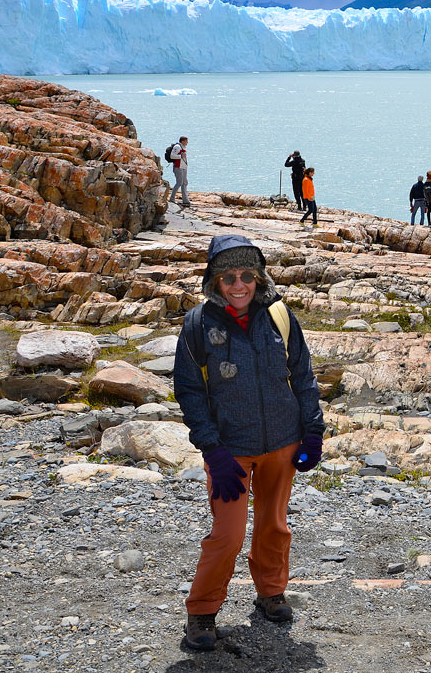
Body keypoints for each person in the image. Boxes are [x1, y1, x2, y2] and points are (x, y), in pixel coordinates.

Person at [174, 235, 324, 652]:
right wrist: (212, 450)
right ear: (214, 282)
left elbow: (304, 375)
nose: (238, 286)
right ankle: (201, 612)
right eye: (228, 278)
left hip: (282, 442)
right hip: (229, 451)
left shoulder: (279, 315)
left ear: (257, 278)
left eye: (245, 276)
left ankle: (271, 593)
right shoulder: (198, 324)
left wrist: (313, 430)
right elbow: (189, 390)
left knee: (274, 525)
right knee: (228, 533)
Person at [168, 136, 191, 207]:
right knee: (179, 183)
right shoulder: (177, 147)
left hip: (183, 167)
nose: (187, 143)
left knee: (184, 183)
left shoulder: (183, 147)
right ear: (183, 141)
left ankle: (185, 200)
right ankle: (172, 198)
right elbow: (172, 156)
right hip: (178, 167)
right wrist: (180, 156)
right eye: (186, 141)